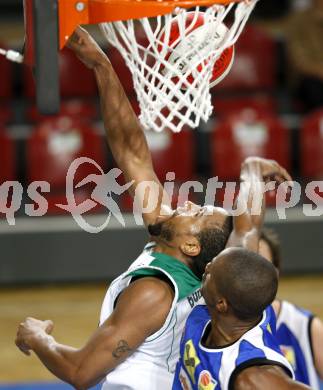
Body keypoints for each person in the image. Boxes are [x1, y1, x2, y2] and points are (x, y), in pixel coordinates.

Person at [15, 27, 291, 390]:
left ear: (190, 246)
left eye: (196, 213)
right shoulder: (204, 261)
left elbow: (81, 372)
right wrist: (100, 65)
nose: (188, 203)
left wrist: (37, 336)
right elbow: (132, 152)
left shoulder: (155, 292)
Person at [259, 228, 323, 389]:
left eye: (261, 263)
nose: (252, 273)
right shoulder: (214, 329)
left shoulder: (305, 326)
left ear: (276, 272)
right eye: (243, 264)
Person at [285, 0, 323, 112]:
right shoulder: (299, 20)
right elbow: (298, 59)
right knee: (314, 88)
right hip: (309, 77)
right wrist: (319, 70)